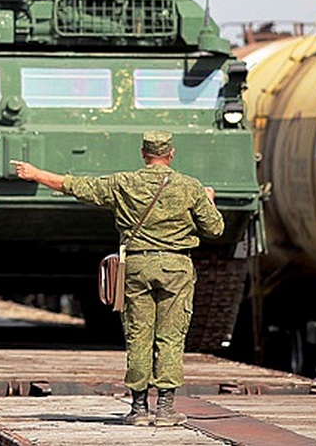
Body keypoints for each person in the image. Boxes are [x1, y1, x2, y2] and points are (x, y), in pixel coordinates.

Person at [12, 130, 223, 426]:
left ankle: (137, 410)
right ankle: (165, 409)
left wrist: (35, 174)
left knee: (138, 335)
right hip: (176, 268)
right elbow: (214, 229)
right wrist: (209, 199)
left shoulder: (123, 183)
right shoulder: (190, 187)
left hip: (136, 266)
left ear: (143, 154)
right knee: (170, 338)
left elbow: (76, 186)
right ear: (171, 153)